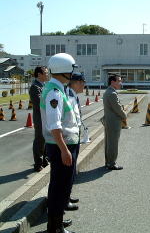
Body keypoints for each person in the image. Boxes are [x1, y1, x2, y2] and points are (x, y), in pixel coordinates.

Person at [40, 53, 79, 233]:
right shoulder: (54, 93)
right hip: (60, 146)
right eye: (71, 70)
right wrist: (64, 150)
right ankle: (54, 228)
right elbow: (54, 125)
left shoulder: (57, 88)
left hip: (63, 144)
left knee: (61, 186)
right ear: (65, 71)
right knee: (59, 187)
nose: (73, 74)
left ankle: (57, 222)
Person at [65, 72, 86, 211]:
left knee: (70, 172)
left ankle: (67, 195)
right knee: (66, 172)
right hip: (68, 138)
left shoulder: (72, 94)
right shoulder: (68, 94)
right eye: (82, 82)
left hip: (74, 136)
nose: (84, 85)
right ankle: (64, 199)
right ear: (76, 82)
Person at [103, 74, 127, 170]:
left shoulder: (108, 91)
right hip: (113, 121)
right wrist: (124, 115)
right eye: (119, 81)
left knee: (109, 142)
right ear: (113, 82)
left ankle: (108, 162)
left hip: (109, 120)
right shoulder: (112, 93)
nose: (121, 83)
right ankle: (111, 163)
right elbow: (117, 108)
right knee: (113, 143)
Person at [29, 66, 49, 172]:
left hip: (46, 117)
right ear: (39, 74)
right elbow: (38, 103)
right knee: (39, 140)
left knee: (45, 139)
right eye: (45, 73)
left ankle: (45, 160)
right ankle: (38, 163)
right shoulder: (35, 87)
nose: (47, 75)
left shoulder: (44, 85)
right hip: (40, 117)